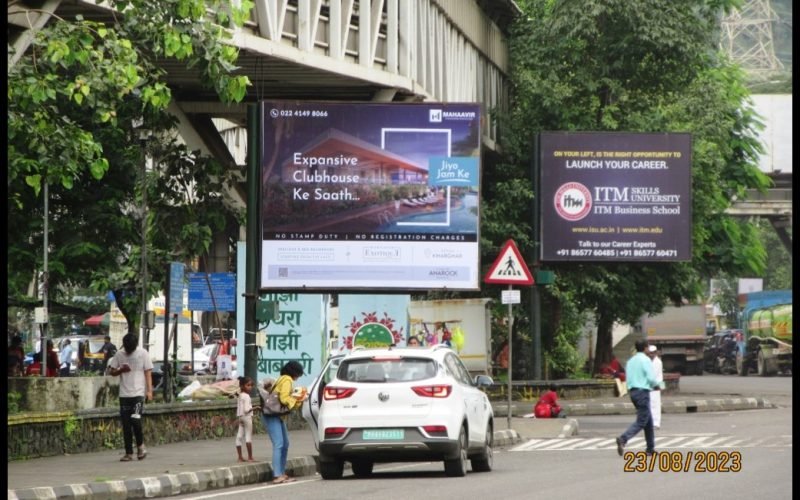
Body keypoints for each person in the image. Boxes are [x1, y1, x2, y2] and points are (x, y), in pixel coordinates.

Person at [107, 333, 154, 462]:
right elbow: (111, 371)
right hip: (124, 394)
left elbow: (148, 373)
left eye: (130, 349)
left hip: (138, 394)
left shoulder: (143, 353)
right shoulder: (119, 355)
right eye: (126, 348)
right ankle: (128, 452)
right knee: (126, 424)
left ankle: (141, 446)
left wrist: (149, 391)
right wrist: (120, 370)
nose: (128, 351)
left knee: (136, 420)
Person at [259, 361, 306, 484]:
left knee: (285, 444)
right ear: (294, 372)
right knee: (279, 444)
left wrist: (299, 400)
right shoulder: (287, 380)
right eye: (299, 373)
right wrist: (296, 397)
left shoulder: (283, 379)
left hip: (277, 416)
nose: (298, 377)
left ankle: (281, 472)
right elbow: (284, 399)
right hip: (272, 415)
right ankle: (277, 475)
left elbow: (287, 402)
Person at [616, 339, 661, 457]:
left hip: (633, 392)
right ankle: (623, 439)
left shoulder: (630, 361)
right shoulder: (646, 360)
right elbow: (651, 378)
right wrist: (656, 385)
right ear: (645, 348)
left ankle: (650, 448)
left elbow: (628, 378)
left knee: (648, 421)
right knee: (642, 421)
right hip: (643, 392)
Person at [236, 376, 256, 462]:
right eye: (248, 385)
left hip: (240, 417)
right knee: (248, 437)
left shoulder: (240, 395)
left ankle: (240, 457)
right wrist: (256, 408)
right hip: (247, 417)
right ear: (243, 386)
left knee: (239, 437)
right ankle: (250, 457)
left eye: (251, 385)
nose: (250, 387)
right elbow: (246, 410)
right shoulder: (247, 396)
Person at [647, 345, 664, 429]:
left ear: (656, 353)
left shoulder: (658, 362)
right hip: (649, 386)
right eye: (650, 353)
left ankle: (656, 423)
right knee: (650, 405)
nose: (651, 355)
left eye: (653, 353)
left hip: (656, 386)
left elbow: (659, 376)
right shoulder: (647, 361)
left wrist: (661, 387)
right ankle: (650, 422)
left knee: (656, 405)